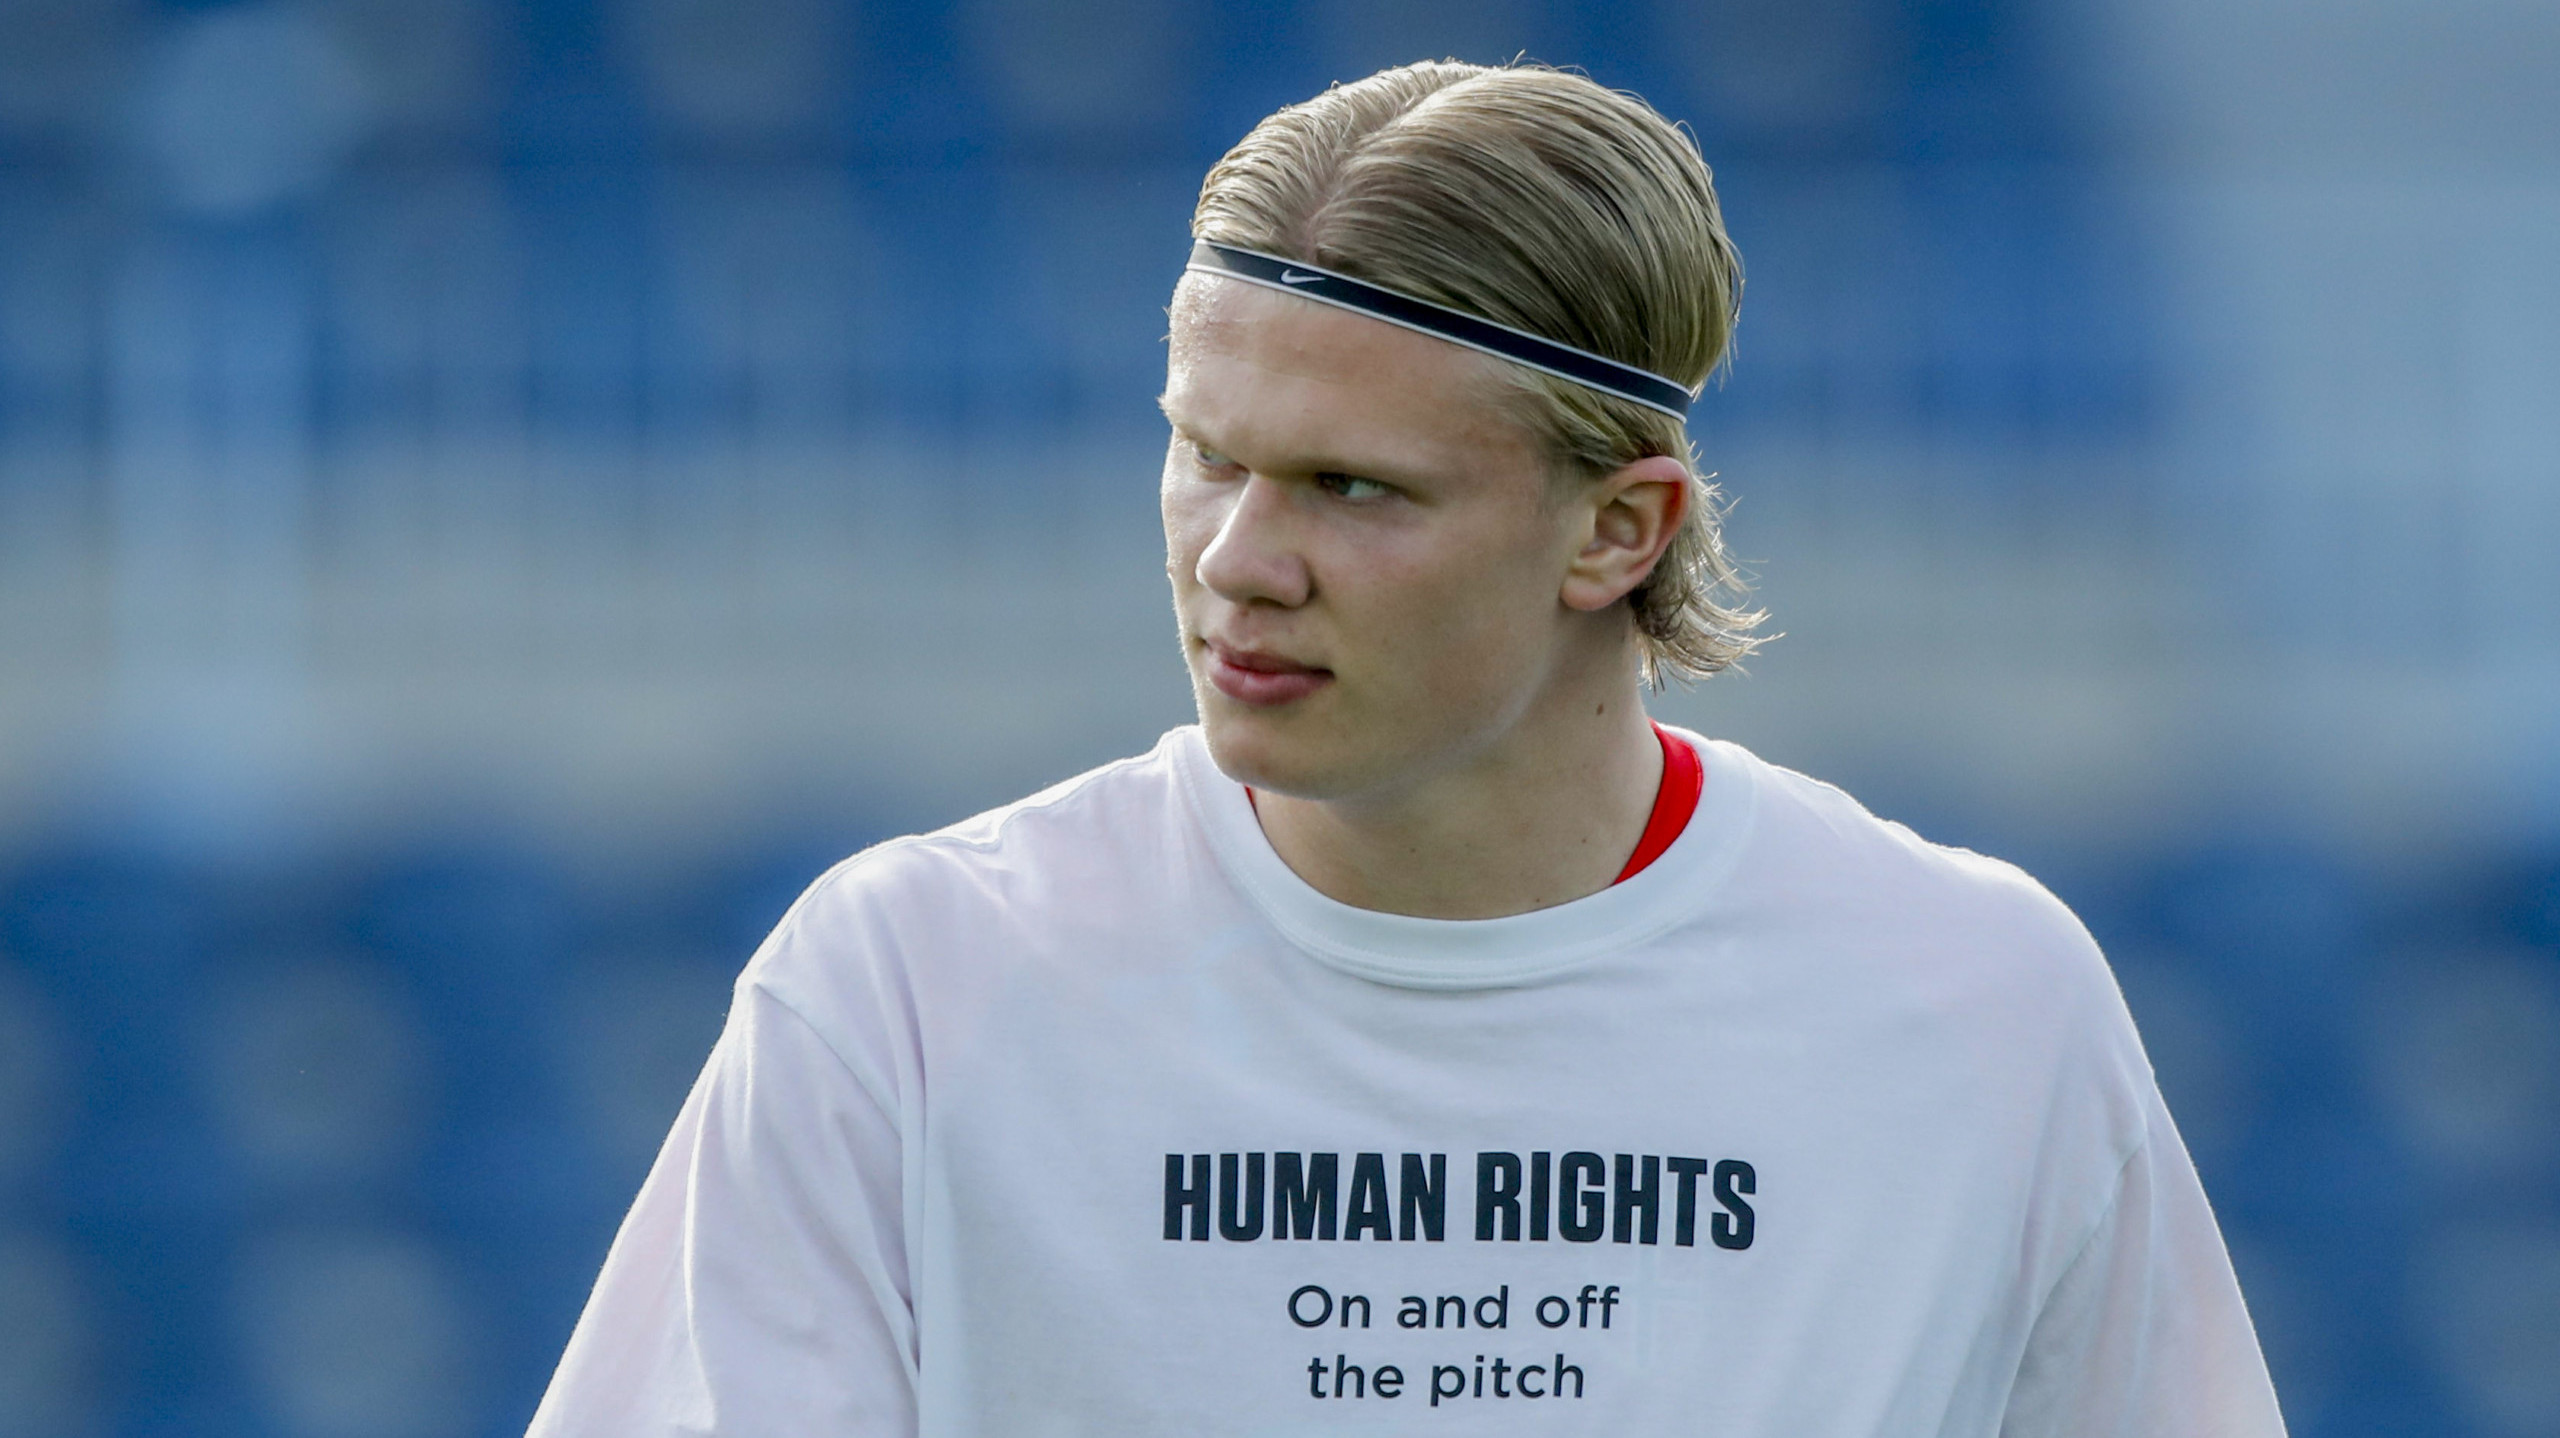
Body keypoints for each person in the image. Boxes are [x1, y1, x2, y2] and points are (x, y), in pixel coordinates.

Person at [528, 61, 2286, 1436]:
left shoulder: (1977, 1002)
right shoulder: (908, 985)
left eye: (1350, 486)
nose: (1233, 560)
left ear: (1620, 530)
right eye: (1206, 454)